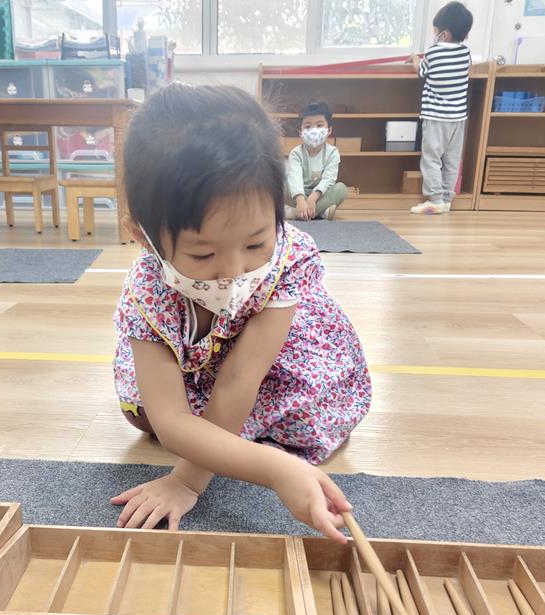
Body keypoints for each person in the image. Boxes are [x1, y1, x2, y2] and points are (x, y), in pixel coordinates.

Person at [111, 84, 372, 540]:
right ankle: (229, 437)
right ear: (143, 237)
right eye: (202, 254)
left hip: (270, 360)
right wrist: (264, 469)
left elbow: (240, 379)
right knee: (145, 414)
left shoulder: (287, 259)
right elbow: (171, 422)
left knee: (302, 415)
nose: (233, 272)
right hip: (201, 365)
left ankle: (231, 437)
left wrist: (192, 478)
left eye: (255, 243)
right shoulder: (148, 289)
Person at [410, 1, 474, 215]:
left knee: (431, 158)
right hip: (458, 119)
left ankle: (435, 199)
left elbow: (421, 71)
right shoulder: (465, 53)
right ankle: (446, 199)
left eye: (435, 31)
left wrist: (415, 59)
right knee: (452, 160)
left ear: (444, 34)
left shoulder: (434, 52)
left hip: (436, 117)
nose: (434, 35)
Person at [285, 100, 347, 220]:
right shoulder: (296, 153)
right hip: (297, 195)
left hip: (320, 195)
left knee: (341, 189)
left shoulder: (332, 152)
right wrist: (300, 199)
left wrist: (313, 198)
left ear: (329, 130)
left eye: (319, 125)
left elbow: (329, 179)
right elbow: (294, 178)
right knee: (279, 185)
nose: (314, 131)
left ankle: (295, 213)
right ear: (300, 132)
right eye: (308, 126)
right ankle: (321, 212)